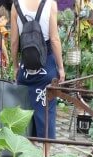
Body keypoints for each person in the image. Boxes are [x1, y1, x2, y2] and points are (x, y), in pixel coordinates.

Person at [11, 0, 64, 140]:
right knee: (47, 114)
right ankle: (45, 155)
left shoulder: (16, 6)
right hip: (47, 66)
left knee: (24, 115)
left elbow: (14, 41)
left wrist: (15, 66)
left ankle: (26, 154)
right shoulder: (50, 4)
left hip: (26, 68)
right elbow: (54, 39)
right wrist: (61, 67)